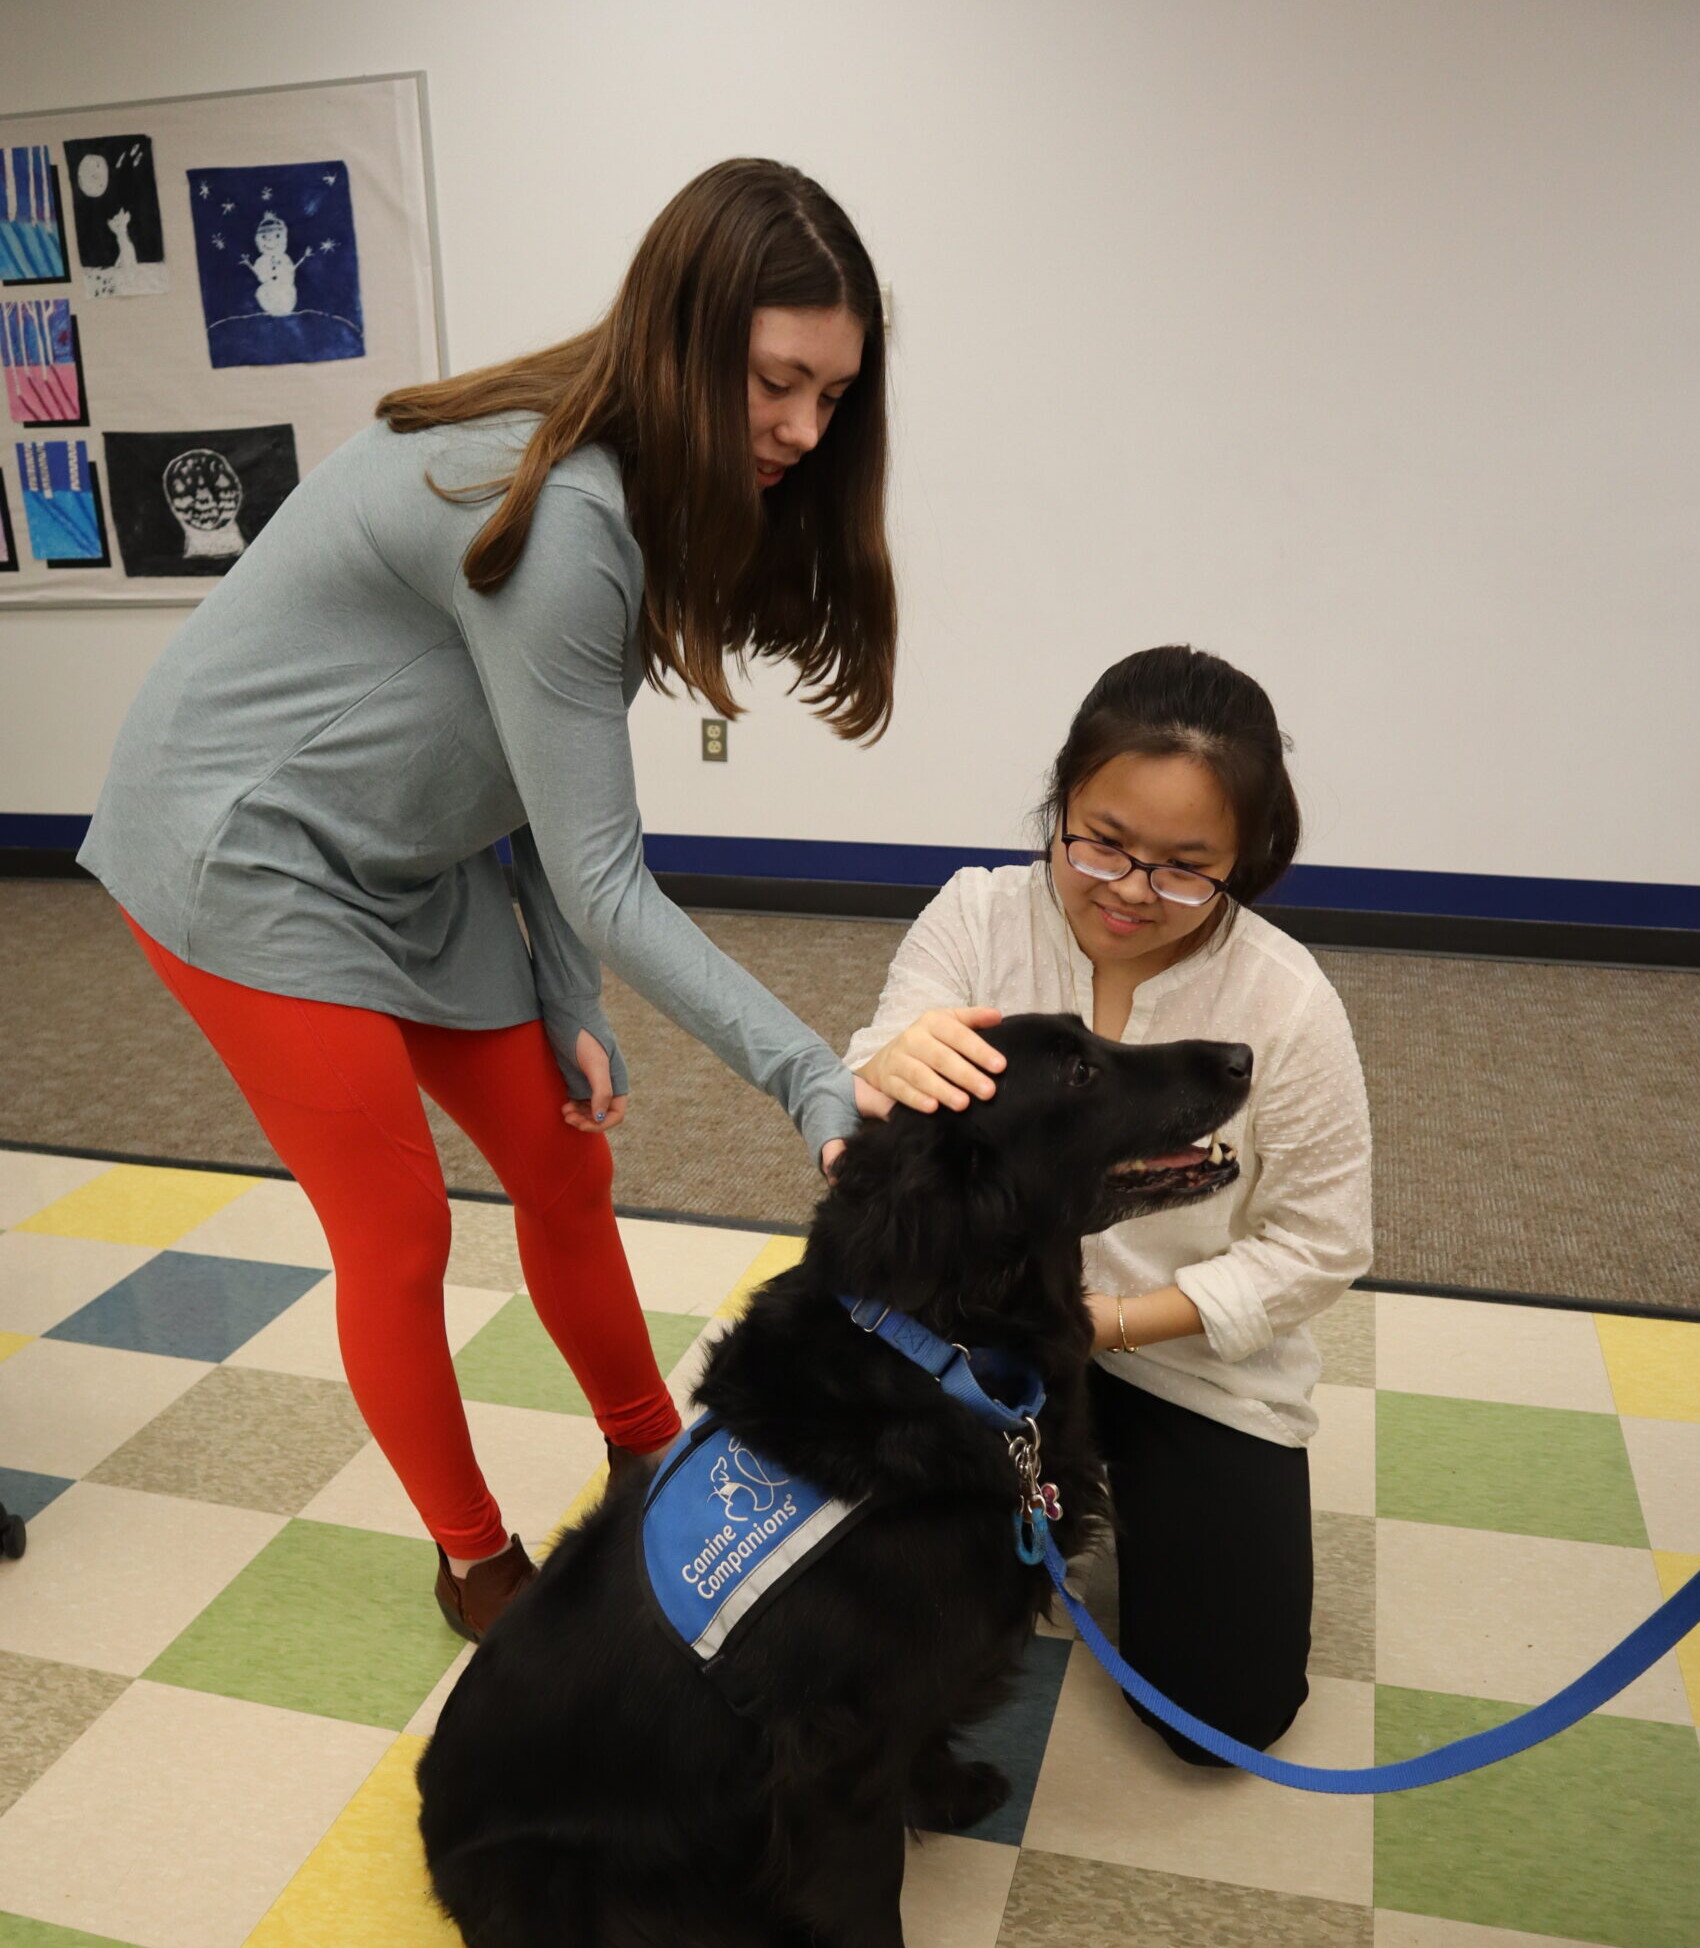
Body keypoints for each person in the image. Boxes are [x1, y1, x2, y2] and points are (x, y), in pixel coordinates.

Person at [79, 158, 892, 1641]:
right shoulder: (565, 499)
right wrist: (810, 1078)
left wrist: (566, 996)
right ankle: (474, 1566)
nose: (800, 431)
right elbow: (604, 870)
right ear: (687, 331)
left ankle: (651, 1459)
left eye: (830, 398)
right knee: (395, 1228)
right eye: (779, 383)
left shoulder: (636, 464)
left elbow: (533, 769)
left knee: (560, 1154)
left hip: (418, 843)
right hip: (245, 844)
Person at [846, 647, 1373, 1764]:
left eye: (1187, 868)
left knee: (1225, 1717)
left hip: (1179, 1359)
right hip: (972, 1350)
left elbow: (1325, 1242)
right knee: (848, 1611)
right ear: (1064, 801)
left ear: (1248, 863)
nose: (1132, 890)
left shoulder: (1286, 1000)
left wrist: (1111, 1324)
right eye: (1103, 841)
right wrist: (892, 1058)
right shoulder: (977, 916)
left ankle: (1108, 1496)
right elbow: (877, 1097)